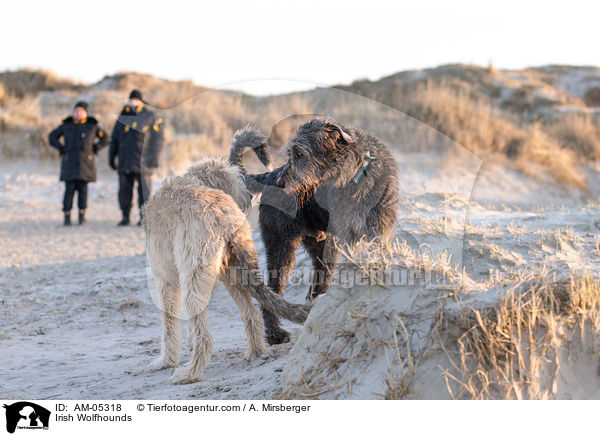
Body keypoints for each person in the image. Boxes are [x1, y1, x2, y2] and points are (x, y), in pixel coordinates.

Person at [109, 89, 164, 226]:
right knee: (124, 191)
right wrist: (112, 157)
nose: (133, 102)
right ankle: (125, 216)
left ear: (141, 101)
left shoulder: (150, 116)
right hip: (125, 160)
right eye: (131, 99)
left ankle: (143, 218)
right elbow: (114, 139)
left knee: (144, 191)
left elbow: (158, 139)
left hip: (143, 161)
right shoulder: (122, 116)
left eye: (136, 99)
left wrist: (154, 158)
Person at [49, 101, 109, 225]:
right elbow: (52, 137)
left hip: (85, 164)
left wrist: (95, 148)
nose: (79, 113)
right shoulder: (67, 125)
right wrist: (61, 148)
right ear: (73, 112)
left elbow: (106, 138)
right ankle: (67, 216)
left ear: (86, 113)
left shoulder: (92, 125)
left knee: (83, 191)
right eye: (76, 111)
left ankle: (82, 216)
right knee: (69, 190)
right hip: (69, 163)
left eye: (81, 111)